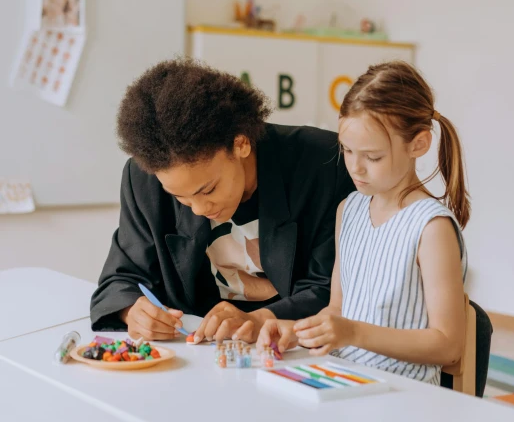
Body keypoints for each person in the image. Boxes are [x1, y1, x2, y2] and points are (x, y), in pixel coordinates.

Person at [90, 58, 354, 343]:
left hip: (294, 346)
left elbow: (333, 288)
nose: (202, 209)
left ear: (241, 144)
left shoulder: (325, 164)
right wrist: (132, 312)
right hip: (198, 348)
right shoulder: (144, 178)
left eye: (208, 189)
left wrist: (258, 320)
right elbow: (121, 278)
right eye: (180, 197)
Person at [258, 61, 469, 384]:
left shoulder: (431, 227)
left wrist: (353, 332)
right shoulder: (349, 210)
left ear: (419, 144)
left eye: (373, 157)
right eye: (347, 151)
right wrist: (296, 332)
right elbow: (337, 310)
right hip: (345, 379)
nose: (356, 168)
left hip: (404, 395)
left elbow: (448, 345)